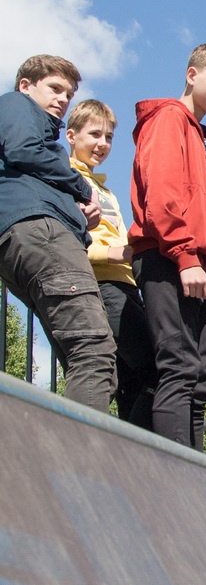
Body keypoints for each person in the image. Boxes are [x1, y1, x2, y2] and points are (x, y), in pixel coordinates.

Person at [128, 42, 206, 448]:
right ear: (191, 74)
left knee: (198, 379)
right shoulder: (168, 119)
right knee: (177, 368)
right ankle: (175, 476)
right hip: (167, 258)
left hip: (198, 266)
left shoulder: (199, 135)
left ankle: (198, 472)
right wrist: (186, 256)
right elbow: (162, 196)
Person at [0, 55, 117, 411]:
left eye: (68, 93)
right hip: (41, 232)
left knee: (77, 356)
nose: (63, 99)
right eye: (55, 88)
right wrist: (81, 187)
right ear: (26, 85)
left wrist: (82, 215)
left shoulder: (38, 144)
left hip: (31, 234)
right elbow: (23, 148)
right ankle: (80, 465)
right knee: (94, 353)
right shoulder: (15, 105)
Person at [66, 99, 156, 429]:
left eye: (108, 137)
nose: (102, 144)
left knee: (131, 381)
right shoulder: (66, 178)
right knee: (156, 369)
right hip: (104, 284)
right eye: (94, 135)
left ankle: (125, 449)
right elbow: (66, 239)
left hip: (127, 285)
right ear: (71, 136)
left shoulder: (104, 188)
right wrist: (112, 254)